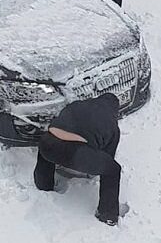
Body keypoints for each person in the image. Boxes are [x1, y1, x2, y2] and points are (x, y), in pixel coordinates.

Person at [33, 94, 123, 226]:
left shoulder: (77, 104)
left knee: (47, 143)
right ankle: (108, 214)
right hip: (76, 154)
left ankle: (43, 185)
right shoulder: (111, 123)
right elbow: (108, 157)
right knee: (113, 170)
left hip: (48, 145)